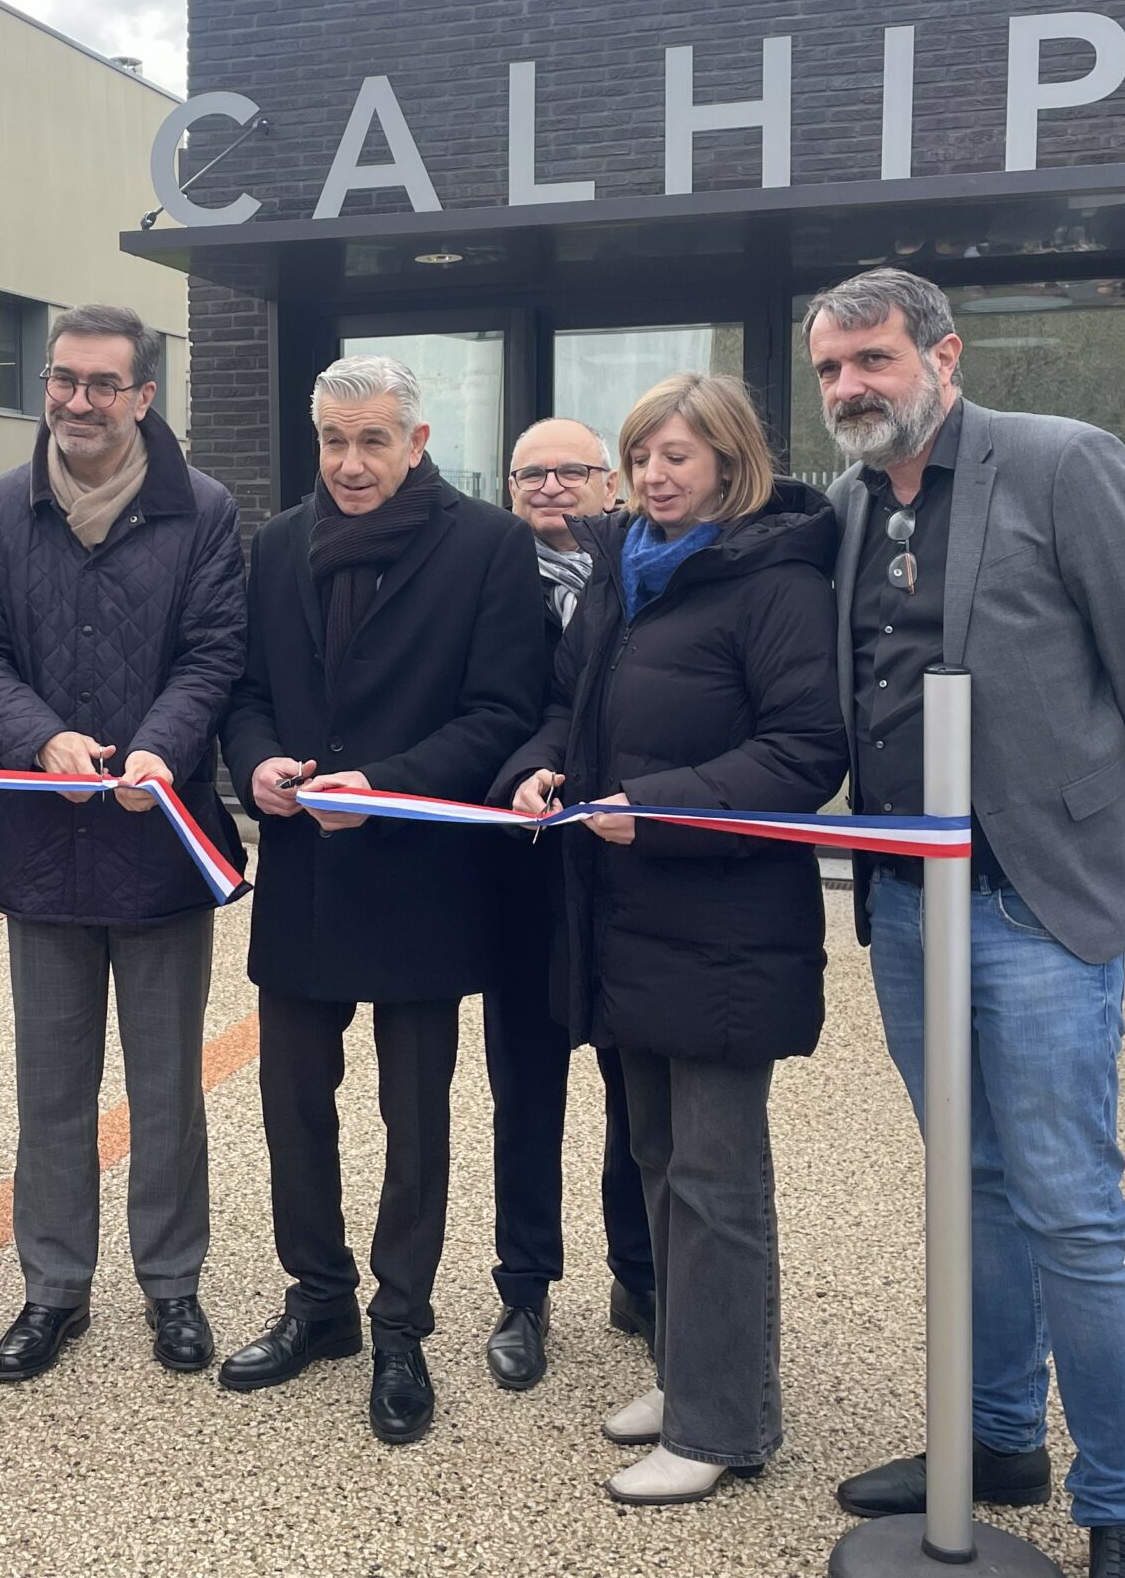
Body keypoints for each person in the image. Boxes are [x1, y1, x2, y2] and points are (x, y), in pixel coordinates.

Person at [807, 269, 1125, 1578]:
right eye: (830, 371)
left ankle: (1122, 1508)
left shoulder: (1061, 466)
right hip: (905, 905)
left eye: (870, 360)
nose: (851, 389)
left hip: (1037, 905)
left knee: (1069, 1207)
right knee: (967, 1188)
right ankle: (993, 1440)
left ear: (944, 355)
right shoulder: (850, 504)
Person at [497, 372, 846, 1507]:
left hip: (722, 925)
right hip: (623, 914)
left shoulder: (773, 582)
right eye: (643, 456)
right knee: (655, 1161)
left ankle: (722, 1425)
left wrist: (660, 804)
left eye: (678, 458)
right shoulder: (626, 574)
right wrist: (539, 766)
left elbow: (803, 753)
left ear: (730, 463)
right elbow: (568, 705)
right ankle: (690, 1375)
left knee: (714, 1181)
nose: (654, 475)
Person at [218, 356, 547, 1444]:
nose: (349, 465)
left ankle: (401, 1322)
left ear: (416, 442)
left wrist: (392, 788)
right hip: (306, 873)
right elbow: (250, 693)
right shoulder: (275, 546)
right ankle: (318, 1301)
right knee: (291, 1107)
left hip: (420, 875)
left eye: (372, 442)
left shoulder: (490, 544)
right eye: (332, 442)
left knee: (418, 1118)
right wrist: (258, 763)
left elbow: (505, 709)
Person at [0, 303, 248, 1384]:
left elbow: (215, 656)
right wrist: (41, 740)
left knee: (166, 1087)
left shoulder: (202, 512)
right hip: (40, 847)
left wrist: (157, 750)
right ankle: (52, 1288)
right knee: (51, 1086)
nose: (78, 401)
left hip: (157, 846)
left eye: (102, 384)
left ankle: (172, 1286)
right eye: (63, 380)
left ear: (144, 397)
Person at [479, 418, 658, 1389]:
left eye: (570, 471)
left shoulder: (650, 572)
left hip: (631, 876)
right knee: (524, 1092)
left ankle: (639, 1276)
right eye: (530, 473)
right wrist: (527, 770)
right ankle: (524, 1288)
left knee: (638, 1093)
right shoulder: (483, 573)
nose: (550, 487)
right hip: (522, 871)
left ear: (610, 483)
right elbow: (499, 709)